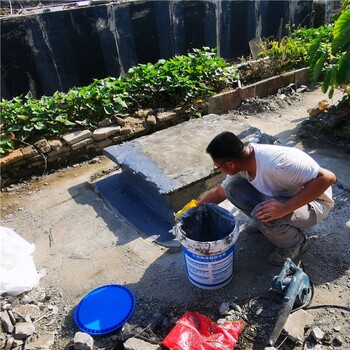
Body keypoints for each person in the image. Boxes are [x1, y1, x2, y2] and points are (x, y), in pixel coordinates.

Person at [185, 131, 336, 266]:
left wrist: (285, 208)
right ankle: (276, 225)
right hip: (283, 196)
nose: (218, 169)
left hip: (314, 204)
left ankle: (297, 243)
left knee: (261, 215)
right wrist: (193, 209)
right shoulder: (242, 163)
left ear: (230, 164)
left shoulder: (280, 164)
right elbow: (221, 193)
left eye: (217, 166)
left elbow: (328, 178)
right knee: (233, 190)